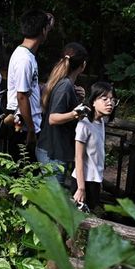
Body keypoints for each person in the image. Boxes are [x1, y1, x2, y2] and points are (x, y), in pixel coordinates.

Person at [38, 43, 90, 181]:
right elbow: (53, 118)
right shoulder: (65, 85)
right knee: (53, 199)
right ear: (83, 65)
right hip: (53, 152)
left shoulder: (64, 83)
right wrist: (76, 113)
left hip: (53, 149)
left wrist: (78, 98)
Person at [6, 9, 52, 160]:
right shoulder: (24, 59)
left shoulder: (28, 55)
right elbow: (21, 97)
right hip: (23, 127)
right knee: (22, 173)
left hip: (28, 124)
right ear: (43, 30)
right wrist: (31, 130)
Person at [73, 82, 117, 212]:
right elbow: (78, 158)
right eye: (104, 99)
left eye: (112, 100)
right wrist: (81, 188)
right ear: (92, 101)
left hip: (94, 181)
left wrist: (99, 180)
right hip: (82, 181)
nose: (110, 103)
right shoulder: (84, 125)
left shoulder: (101, 122)